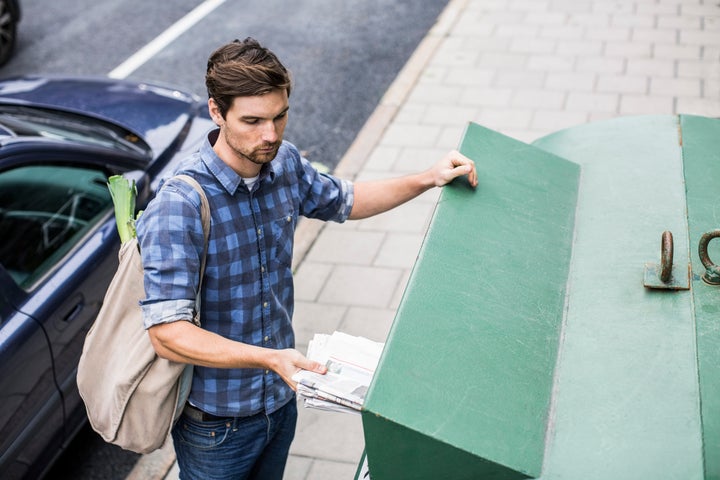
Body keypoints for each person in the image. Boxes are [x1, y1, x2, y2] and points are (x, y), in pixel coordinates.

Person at [136, 37, 477, 480]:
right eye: (253, 121)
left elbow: (347, 200)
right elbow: (167, 333)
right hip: (217, 424)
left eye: (280, 116)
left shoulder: (284, 164)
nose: (271, 135)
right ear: (217, 113)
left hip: (280, 400)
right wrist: (268, 358)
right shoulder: (180, 202)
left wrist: (428, 178)